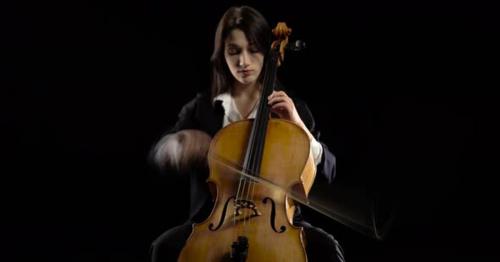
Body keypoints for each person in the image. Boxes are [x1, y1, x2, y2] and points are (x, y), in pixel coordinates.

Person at [149, 5, 345, 262]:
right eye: (234, 52)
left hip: (276, 223)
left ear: (266, 50)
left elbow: (328, 170)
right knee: (163, 248)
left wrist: (300, 127)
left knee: (327, 249)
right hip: (215, 221)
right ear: (222, 54)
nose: (243, 61)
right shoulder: (202, 108)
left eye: (253, 50)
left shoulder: (290, 108)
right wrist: (177, 146)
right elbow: (161, 152)